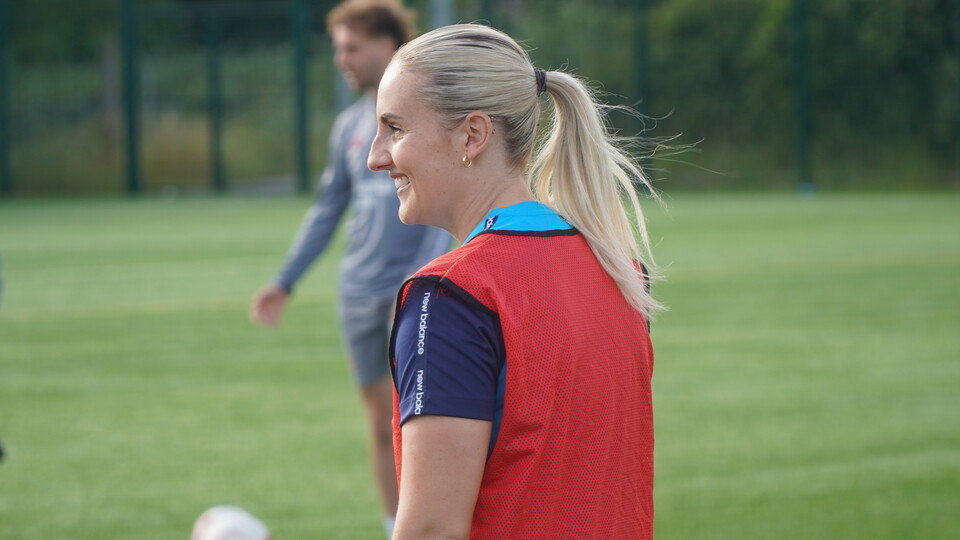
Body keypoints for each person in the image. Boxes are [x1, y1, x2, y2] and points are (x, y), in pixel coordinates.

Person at [367, 24, 663, 539]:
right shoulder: (619, 269)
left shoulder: (454, 295)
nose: (375, 156)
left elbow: (433, 529)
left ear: (473, 135)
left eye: (395, 129)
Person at [249, 2, 449, 537]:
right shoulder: (346, 128)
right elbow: (326, 209)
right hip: (356, 294)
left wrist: (419, 282)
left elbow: (445, 209)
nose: (342, 59)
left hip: (410, 294)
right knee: (383, 423)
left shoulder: (429, 115)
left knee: (425, 424)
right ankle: (393, 528)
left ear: (387, 46)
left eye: (352, 47)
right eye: (338, 49)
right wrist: (285, 280)